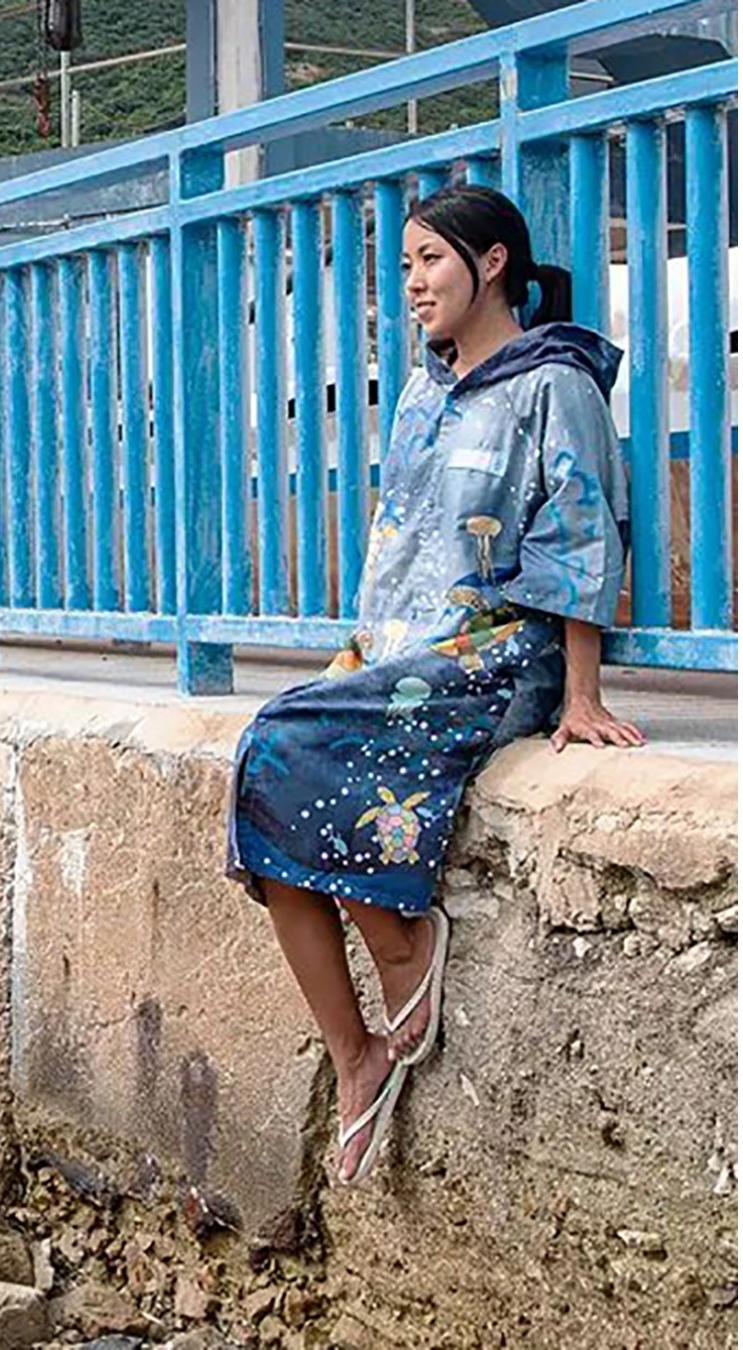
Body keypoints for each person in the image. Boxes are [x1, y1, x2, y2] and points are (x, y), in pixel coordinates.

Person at [226, 184, 646, 1187]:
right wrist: (364, 655)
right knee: (259, 771)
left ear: (492, 263)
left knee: (289, 744)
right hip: (407, 652)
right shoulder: (425, 391)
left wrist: (581, 693)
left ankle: (403, 948)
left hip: (502, 651)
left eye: (431, 261)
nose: (413, 283)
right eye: (407, 264)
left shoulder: (554, 384)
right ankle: (356, 1054)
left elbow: (582, 535)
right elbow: (401, 542)